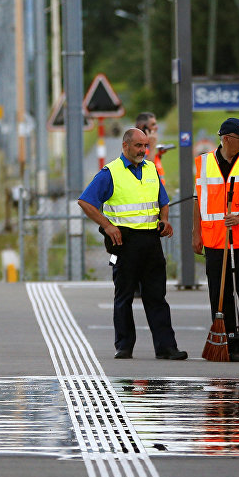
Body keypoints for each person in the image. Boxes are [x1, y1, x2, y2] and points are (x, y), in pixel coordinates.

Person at [77, 128, 187, 361]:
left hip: (151, 240)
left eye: (145, 146)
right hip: (124, 242)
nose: (143, 151)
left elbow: (163, 200)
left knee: (157, 296)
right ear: (125, 146)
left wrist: (164, 220)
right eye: (138, 146)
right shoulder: (110, 172)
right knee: (124, 296)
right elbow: (86, 202)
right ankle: (124, 346)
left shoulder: (151, 170)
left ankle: (166, 347)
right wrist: (107, 226)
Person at [193, 118, 239, 362]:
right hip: (215, 238)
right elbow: (198, 201)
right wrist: (196, 234)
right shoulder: (203, 164)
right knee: (220, 292)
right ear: (226, 139)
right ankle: (226, 340)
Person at [136, 112, 168, 185]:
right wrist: (153, 146)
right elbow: (146, 169)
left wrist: (158, 155)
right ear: (143, 127)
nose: (156, 127)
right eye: (153, 124)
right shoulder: (136, 146)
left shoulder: (148, 145)